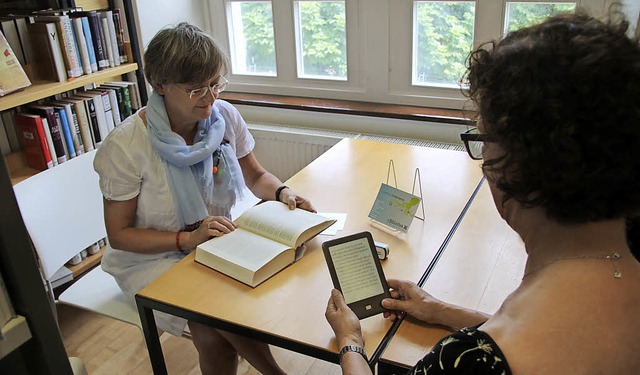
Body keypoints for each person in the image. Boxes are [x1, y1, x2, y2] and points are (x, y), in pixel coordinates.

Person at [326, 9, 640, 374]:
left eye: (483, 137)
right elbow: (562, 341)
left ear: (516, 162)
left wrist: (351, 342)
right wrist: (444, 311)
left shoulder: (469, 360)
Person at [94, 22, 315, 375]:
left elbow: (255, 175)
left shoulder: (223, 117)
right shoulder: (126, 146)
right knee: (211, 323)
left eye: (215, 83)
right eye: (197, 89)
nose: (211, 99)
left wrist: (284, 193)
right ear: (160, 85)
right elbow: (120, 235)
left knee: (225, 310)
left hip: (215, 242)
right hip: (151, 258)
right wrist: (188, 239)